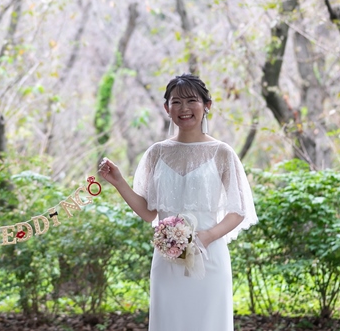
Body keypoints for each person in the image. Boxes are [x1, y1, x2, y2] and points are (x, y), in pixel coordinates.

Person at [99, 74, 256, 331]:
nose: (184, 109)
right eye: (176, 102)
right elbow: (149, 213)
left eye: (192, 100)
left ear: (207, 105)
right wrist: (118, 182)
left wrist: (205, 237)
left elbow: (238, 210)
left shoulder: (222, 152)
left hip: (209, 258)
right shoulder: (156, 152)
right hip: (167, 258)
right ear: (166, 108)